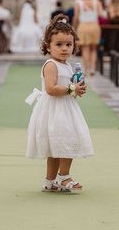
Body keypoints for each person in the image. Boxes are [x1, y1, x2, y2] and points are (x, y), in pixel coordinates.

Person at [25, 14, 92, 191]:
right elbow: (51, 89)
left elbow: (68, 87)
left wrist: (77, 89)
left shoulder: (68, 66)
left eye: (69, 45)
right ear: (48, 46)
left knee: (58, 145)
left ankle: (49, 181)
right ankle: (64, 177)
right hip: (54, 111)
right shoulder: (51, 65)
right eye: (59, 45)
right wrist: (71, 89)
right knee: (66, 141)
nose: (64, 49)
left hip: (66, 108)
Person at [73, 0, 104, 77]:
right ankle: (92, 69)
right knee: (94, 48)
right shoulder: (97, 2)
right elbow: (101, 14)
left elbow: (76, 17)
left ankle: (86, 70)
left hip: (83, 26)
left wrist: (74, 27)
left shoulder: (78, 2)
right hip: (94, 26)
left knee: (85, 48)